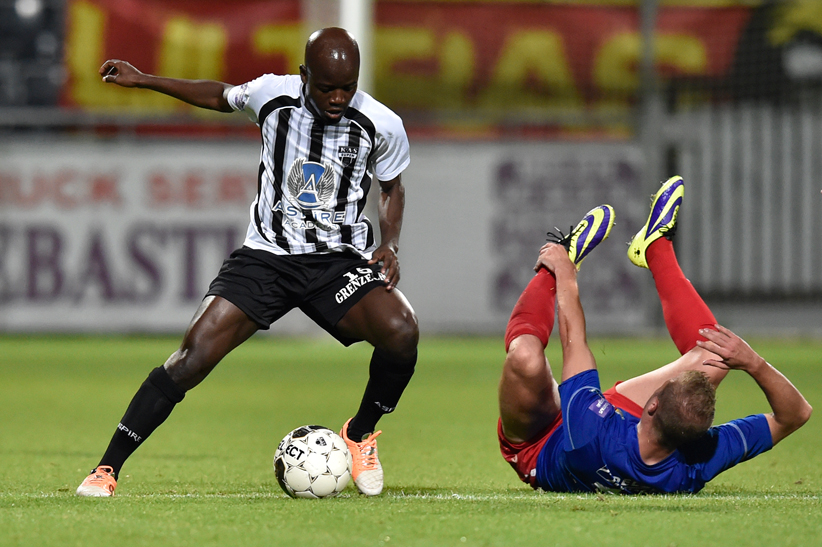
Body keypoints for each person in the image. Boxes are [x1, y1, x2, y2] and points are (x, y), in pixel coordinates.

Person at [76, 28, 419, 497]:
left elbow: (392, 187)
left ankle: (359, 436)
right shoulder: (272, 95)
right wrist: (145, 80)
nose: (338, 98)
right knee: (191, 357)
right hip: (267, 259)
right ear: (304, 77)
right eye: (326, 88)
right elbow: (219, 95)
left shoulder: (381, 122)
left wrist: (390, 244)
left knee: (402, 331)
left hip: (336, 262)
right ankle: (106, 468)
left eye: (347, 86)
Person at [497, 176, 812, 494]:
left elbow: (573, 338)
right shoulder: (696, 464)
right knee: (716, 358)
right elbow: (796, 414)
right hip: (612, 432)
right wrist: (752, 364)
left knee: (525, 358)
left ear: (651, 405)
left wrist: (564, 270)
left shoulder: (592, 432)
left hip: (539, 444)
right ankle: (655, 249)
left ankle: (552, 264)